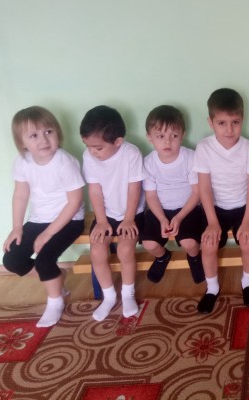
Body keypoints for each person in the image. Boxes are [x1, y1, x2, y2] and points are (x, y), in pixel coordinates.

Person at [2, 106, 85, 327]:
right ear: (22, 143)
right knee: (12, 259)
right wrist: (17, 227)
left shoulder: (65, 162)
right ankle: (56, 277)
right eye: (34, 135)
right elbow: (20, 195)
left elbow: (74, 202)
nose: (43, 140)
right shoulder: (23, 162)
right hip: (39, 219)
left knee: (44, 259)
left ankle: (55, 301)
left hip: (69, 219)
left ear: (58, 132)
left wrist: (48, 234)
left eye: (49, 132)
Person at [193, 88, 249, 314]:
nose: (229, 130)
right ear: (210, 122)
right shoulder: (204, 148)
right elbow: (204, 188)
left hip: (244, 207)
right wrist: (212, 222)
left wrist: (248, 220)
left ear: (242, 120)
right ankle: (212, 288)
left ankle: (247, 283)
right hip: (216, 209)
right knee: (208, 245)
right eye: (222, 123)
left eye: (235, 122)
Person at [80, 105, 146, 321]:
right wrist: (100, 220)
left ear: (118, 141)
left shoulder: (131, 154)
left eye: (98, 148)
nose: (92, 152)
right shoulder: (89, 156)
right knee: (97, 252)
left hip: (131, 212)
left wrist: (129, 219)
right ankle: (109, 297)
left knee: (125, 250)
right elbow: (94, 190)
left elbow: (134, 188)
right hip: (105, 214)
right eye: (88, 146)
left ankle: (128, 294)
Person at [140, 105, 205, 285]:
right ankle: (162, 257)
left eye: (174, 136)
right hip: (159, 210)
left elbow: (197, 192)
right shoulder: (149, 162)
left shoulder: (190, 157)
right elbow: (151, 196)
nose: (167, 142)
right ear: (150, 137)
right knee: (149, 244)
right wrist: (162, 218)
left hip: (188, 209)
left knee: (189, 243)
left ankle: (194, 258)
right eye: (160, 136)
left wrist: (179, 216)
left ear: (182, 136)